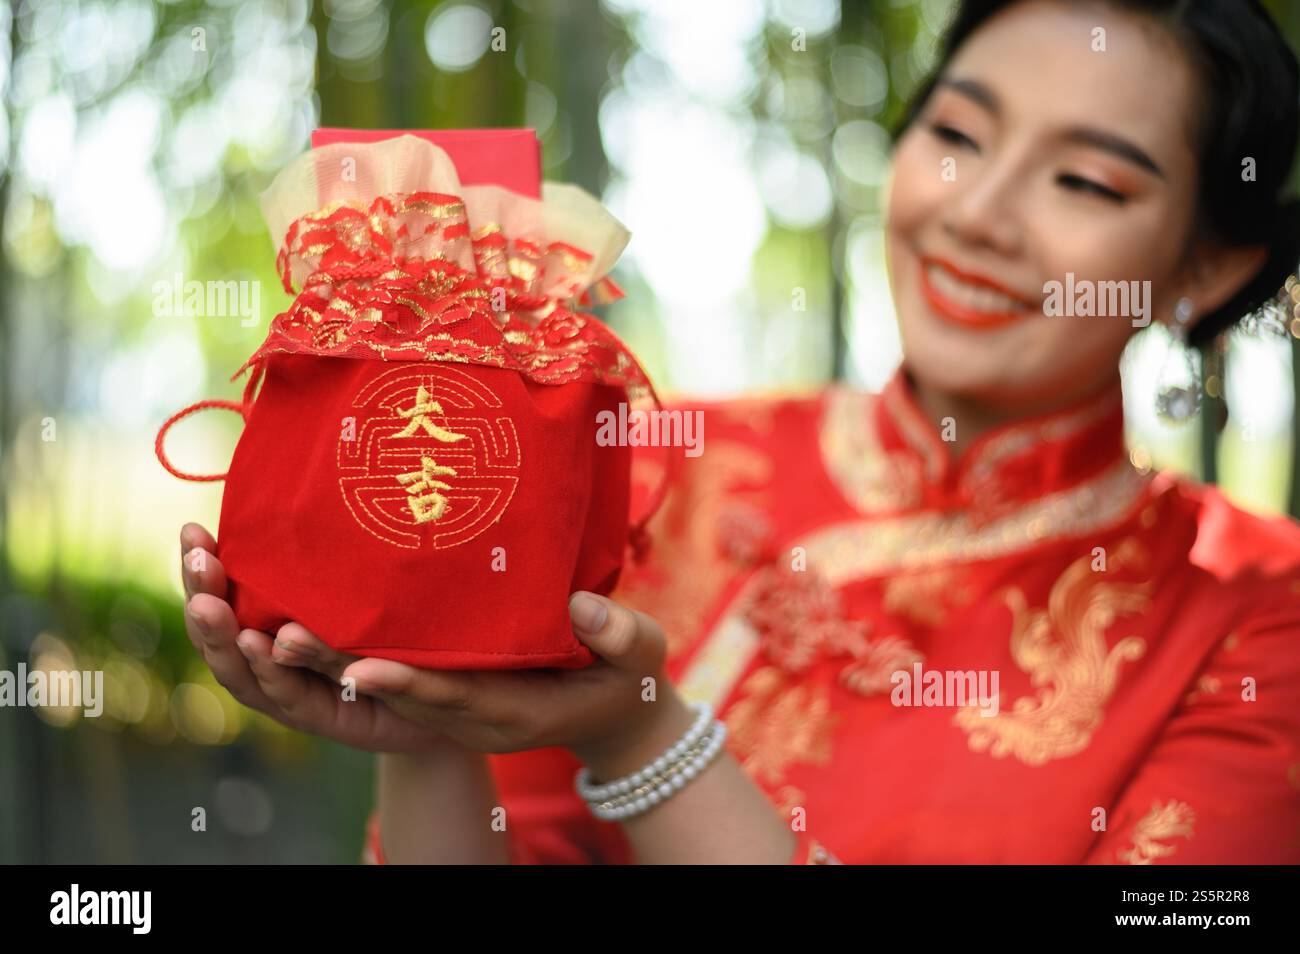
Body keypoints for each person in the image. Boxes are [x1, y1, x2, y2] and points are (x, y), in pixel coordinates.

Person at [179, 0, 1300, 863]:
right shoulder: (657, 462)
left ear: (1207, 268)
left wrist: (642, 744)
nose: (979, 212)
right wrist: (427, 732)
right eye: (957, 134)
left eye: (1085, 181)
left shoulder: (1258, 615)